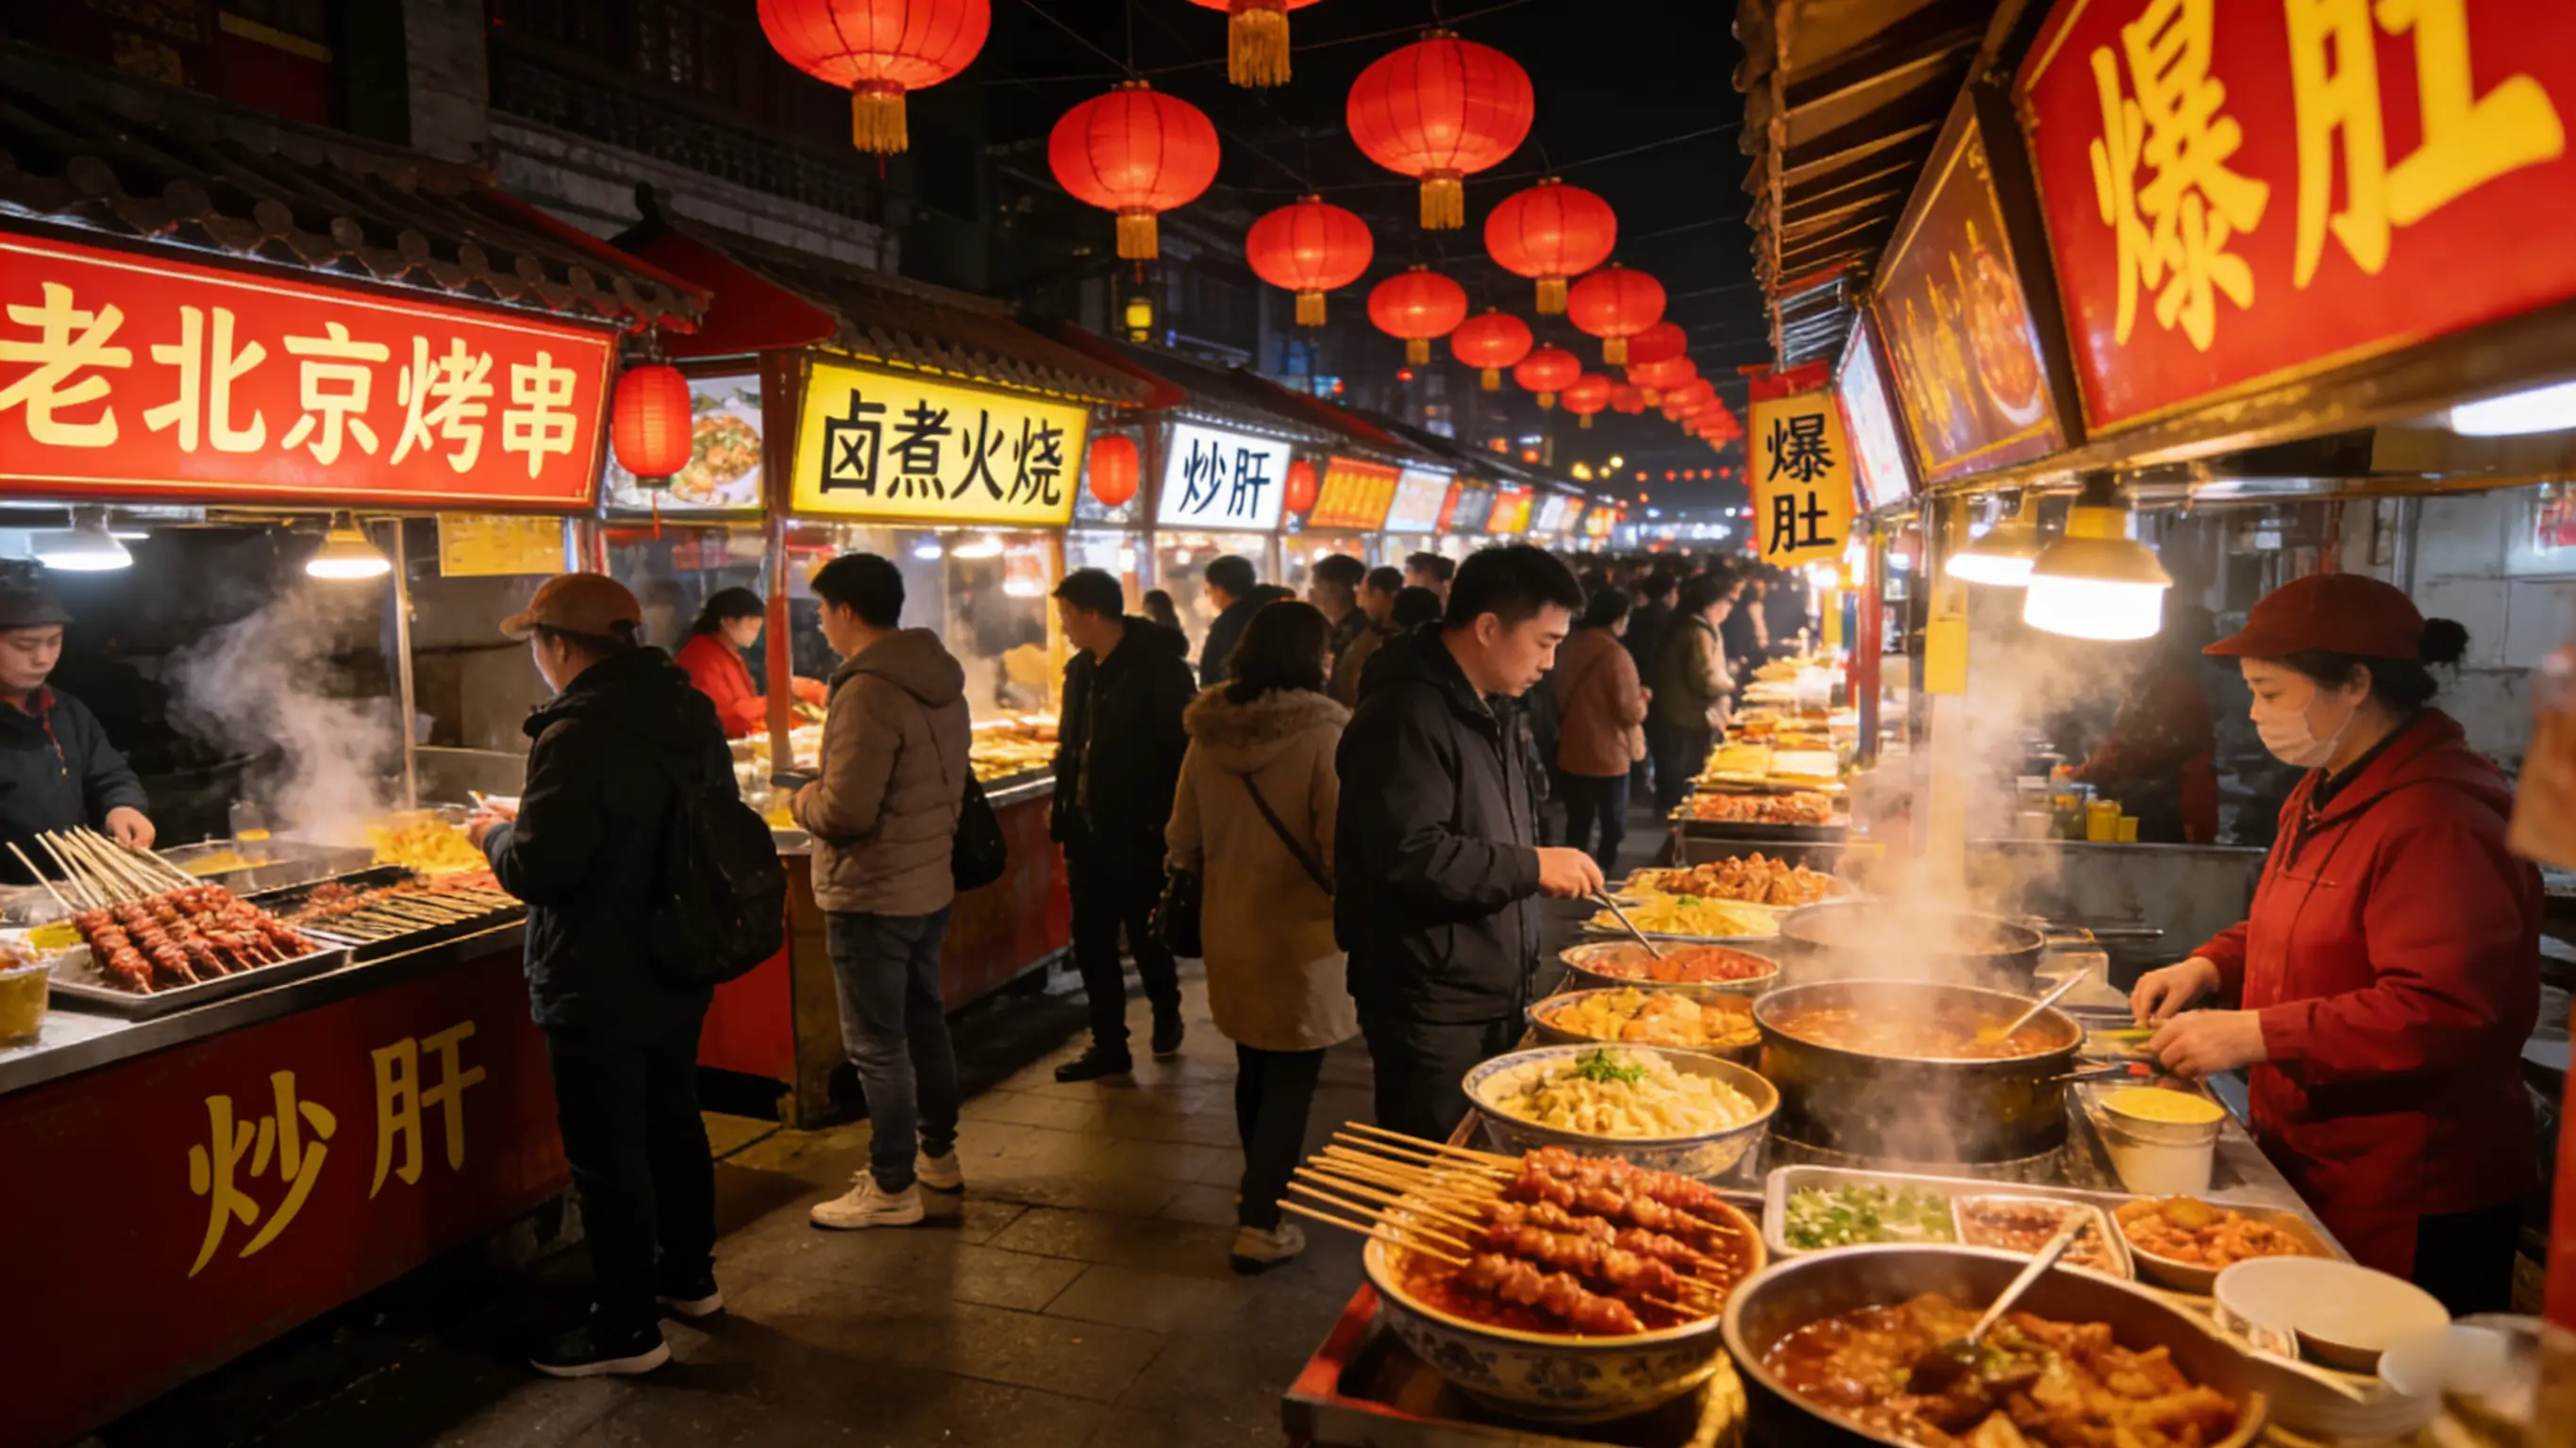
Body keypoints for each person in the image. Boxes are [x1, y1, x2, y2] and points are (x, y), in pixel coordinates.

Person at [2130, 574, 2536, 1315]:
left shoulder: (2440, 819)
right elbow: (2297, 920)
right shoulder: (2328, 787)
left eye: (2271, 692)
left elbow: (2441, 1008)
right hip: (2316, 1156)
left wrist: (2255, 1031)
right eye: (2250, 691)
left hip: (2412, 1190)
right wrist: (2210, 964)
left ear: (2355, 682)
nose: (2254, 713)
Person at [466, 573, 730, 1378]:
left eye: (536, 645)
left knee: (607, 1152)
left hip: (597, 971)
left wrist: (492, 834)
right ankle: (689, 1279)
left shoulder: (576, 729)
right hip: (676, 956)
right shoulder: (685, 707)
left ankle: (625, 1330)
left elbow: (545, 867)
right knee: (673, 1121)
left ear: (558, 646)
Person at [1337, 545, 1604, 1141]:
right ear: (1488, 627)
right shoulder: (1406, 713)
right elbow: (1407, 854)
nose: (1552, 661)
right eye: (1544, 642)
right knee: (1436, 1170)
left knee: (1485, 1160)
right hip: (1428, 999)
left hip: (1484, 981)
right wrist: (1532, 866)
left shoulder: (1488, 704)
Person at [1165, 601, 1356, 1270]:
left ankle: (1258, 1187)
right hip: (1302, 935)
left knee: (1254, 1065)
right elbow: (1341, 846)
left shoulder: (1206, 730)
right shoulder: (1326, 735)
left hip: (1231, 926)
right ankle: (1261, 1218)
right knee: (1292, 1077)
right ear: (1312, 657)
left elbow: (1181, 836)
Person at [792, 556, 973, 1232]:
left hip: (871, 891)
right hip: (927, 882)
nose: (819, 622)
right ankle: (939, 1156)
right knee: (924, 1021)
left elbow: (846, 812)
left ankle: (893, 1184)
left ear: (845, 611)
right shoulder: (938, 676)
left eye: (820, 610)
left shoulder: (867, 690)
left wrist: (800, 798)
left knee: (876, 1043)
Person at [1050, 569, 1197, 1081]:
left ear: (1092, 615)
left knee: (1145, 934)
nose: (1064, 626)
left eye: (1067, 615)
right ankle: (1109, 1043)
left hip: (1138, 832)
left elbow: (1182, 754)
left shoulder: (1160, 670)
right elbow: (1072, 746)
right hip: (1085, 832)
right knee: (1091, 942)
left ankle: (1166, 1010)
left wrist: (1164, 824)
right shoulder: (1079, 672)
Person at [0, 564, 154, 879]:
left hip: (73, 887)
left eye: (54, 641)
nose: (43, 658)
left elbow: (110, 776)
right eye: (25, 646)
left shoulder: (66, 712)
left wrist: (122, 806)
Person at [2070, 596, 2219, 843]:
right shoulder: (2159, 683)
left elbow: (2127, 751)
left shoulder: (2175, 688)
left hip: (2164, 810)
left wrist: (2077, 775)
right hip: (2166, 803)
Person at [1552, 589, 1648, 874]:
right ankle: (1602, 869)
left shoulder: (1568, 646)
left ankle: (1572, 872)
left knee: (1577, 819)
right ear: (1618, 619)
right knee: (1612, 821)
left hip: (1572, 748)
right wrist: (1642, 699)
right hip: (1608, 756)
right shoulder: (1615, 654)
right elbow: (1629, 712)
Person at [672, 587, 828, 740]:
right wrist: (776, 700)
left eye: (757, 629)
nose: (754, 635)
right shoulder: (702, 656)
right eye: (751, 628)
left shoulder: (726, 652)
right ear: (728, 622)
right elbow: (724, 714)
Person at [1650, 570, 1735, 816]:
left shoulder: (1686, 624)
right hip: (1685, 714)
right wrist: (1730, 683)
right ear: (1711, 605)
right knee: (1684, 770)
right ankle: (1680, 817)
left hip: (1677, 711)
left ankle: (1672, 810)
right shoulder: (1697, 632)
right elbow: (1704, 679)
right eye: (1724, 605)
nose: (1726, 611)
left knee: (1675, 766)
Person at [1328, 566, 1404, 707]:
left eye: (1363, 593)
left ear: (1379, 594)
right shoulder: (1372, 631)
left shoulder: (1375, 636)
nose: (1359, 603)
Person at [1197, 554, 1261, 688]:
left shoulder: (1229, 624)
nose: (1209, 596)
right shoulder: (1268, 614)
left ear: (1219, 590)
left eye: (1208, 589)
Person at [1307, 554, 1370, 671]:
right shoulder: (1349, 626)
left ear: (1337, 588)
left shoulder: (1354, 634)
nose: (1311, 592)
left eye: (1316, 585)